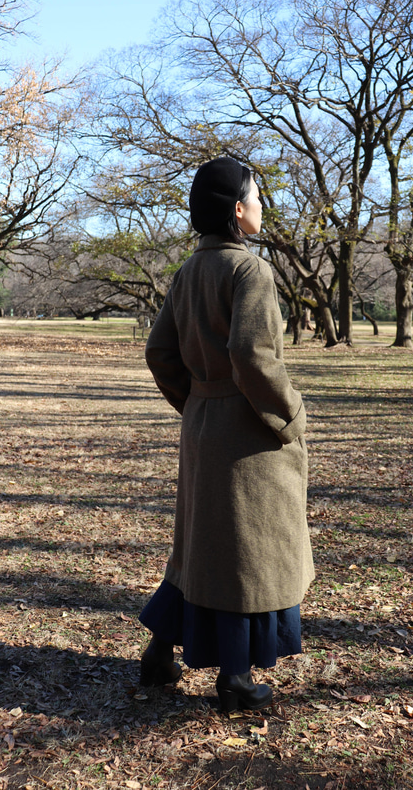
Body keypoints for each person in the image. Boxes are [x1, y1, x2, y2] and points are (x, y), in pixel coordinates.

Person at [138, 157, 314, 714]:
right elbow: (252, 355)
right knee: (246, 554)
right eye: (257, 196)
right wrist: (288, 416)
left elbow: (160, 352)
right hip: (245, 437)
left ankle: (160, 654)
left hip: (203, 426)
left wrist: (194, 403)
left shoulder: (188, 271)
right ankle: (235, 679)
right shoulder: (250, 271)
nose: (262, 205)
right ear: (238, 209)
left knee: (196, 550)